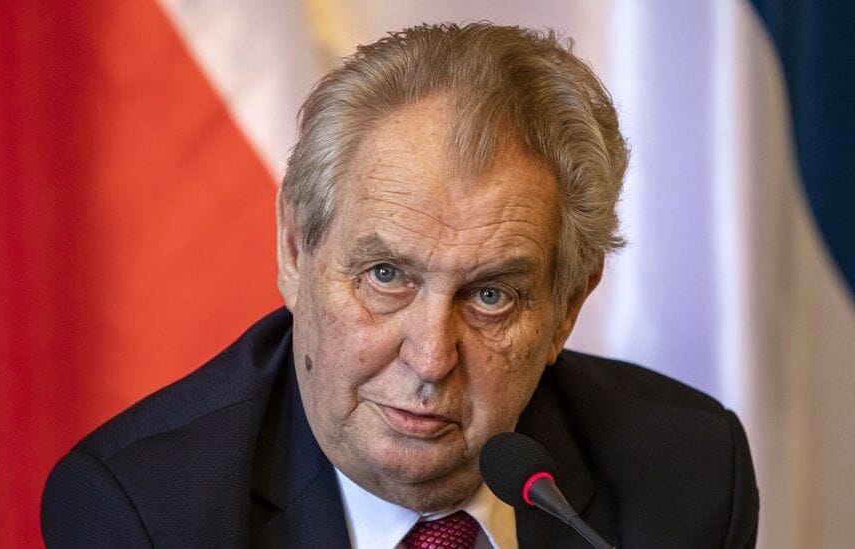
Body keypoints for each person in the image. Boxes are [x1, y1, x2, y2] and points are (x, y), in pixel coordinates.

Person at [41, 23, 758, 548]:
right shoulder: (142, 516)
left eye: (490, 296)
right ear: (295, 250)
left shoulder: (688, 476)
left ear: (567, 307)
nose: (430, 359)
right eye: (386, 276)